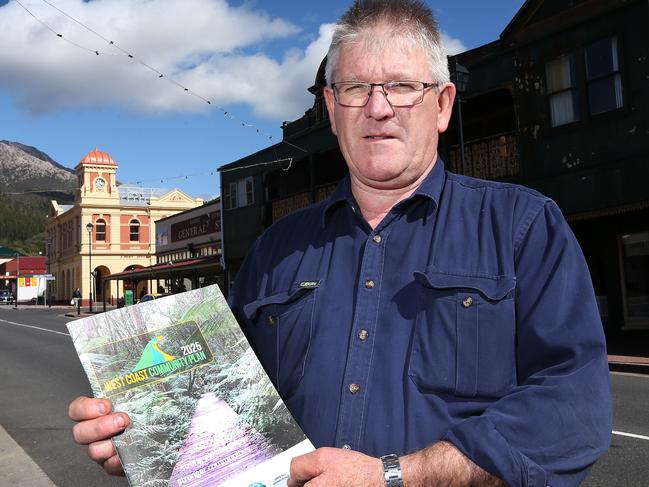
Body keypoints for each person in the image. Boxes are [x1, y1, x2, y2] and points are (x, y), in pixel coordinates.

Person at [68, 1, 612, 485]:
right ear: (332, 109)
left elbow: (571, 409)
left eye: (402, 86)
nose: (378, 108)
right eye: (355, 89)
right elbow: (222, 406)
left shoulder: (522, 227)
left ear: (442, 105)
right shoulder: (274, 250)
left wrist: (401, 476)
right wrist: (143, 434)